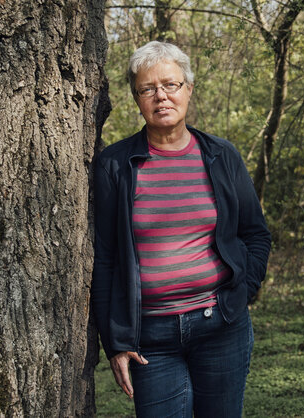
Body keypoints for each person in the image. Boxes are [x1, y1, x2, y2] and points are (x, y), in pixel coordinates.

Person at [92, 41, 271, 417]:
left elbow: (255, 234)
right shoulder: (115, 166)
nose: (161, 96)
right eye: (147, 88)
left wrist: (244, 290)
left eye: (171, 84)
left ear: (189, 88)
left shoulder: (222, 157)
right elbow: (106, 258)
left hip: (222, 327)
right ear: (137, 98)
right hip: (150, 341)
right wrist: (115, 341)